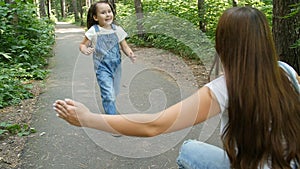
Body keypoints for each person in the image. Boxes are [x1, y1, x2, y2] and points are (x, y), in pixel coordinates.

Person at [53, 6, 300, 169]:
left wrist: (87, 118)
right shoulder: (286, 72)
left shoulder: (225, 87)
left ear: (223, 43)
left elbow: (154, 125)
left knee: (190, 149)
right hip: (288, 162)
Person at [79, 0, 136, 116]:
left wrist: (130, 54)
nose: (108, 14)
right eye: (103, 12)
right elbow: (82, 44)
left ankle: (110, 107)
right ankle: (112, 121)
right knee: (108, 94)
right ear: (95, 17)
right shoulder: (93, 31)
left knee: (113, 93)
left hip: (116, 67)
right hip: (102, 67)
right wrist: (84, 49)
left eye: (109, 11)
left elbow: (124, 46)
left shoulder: (117, 30)